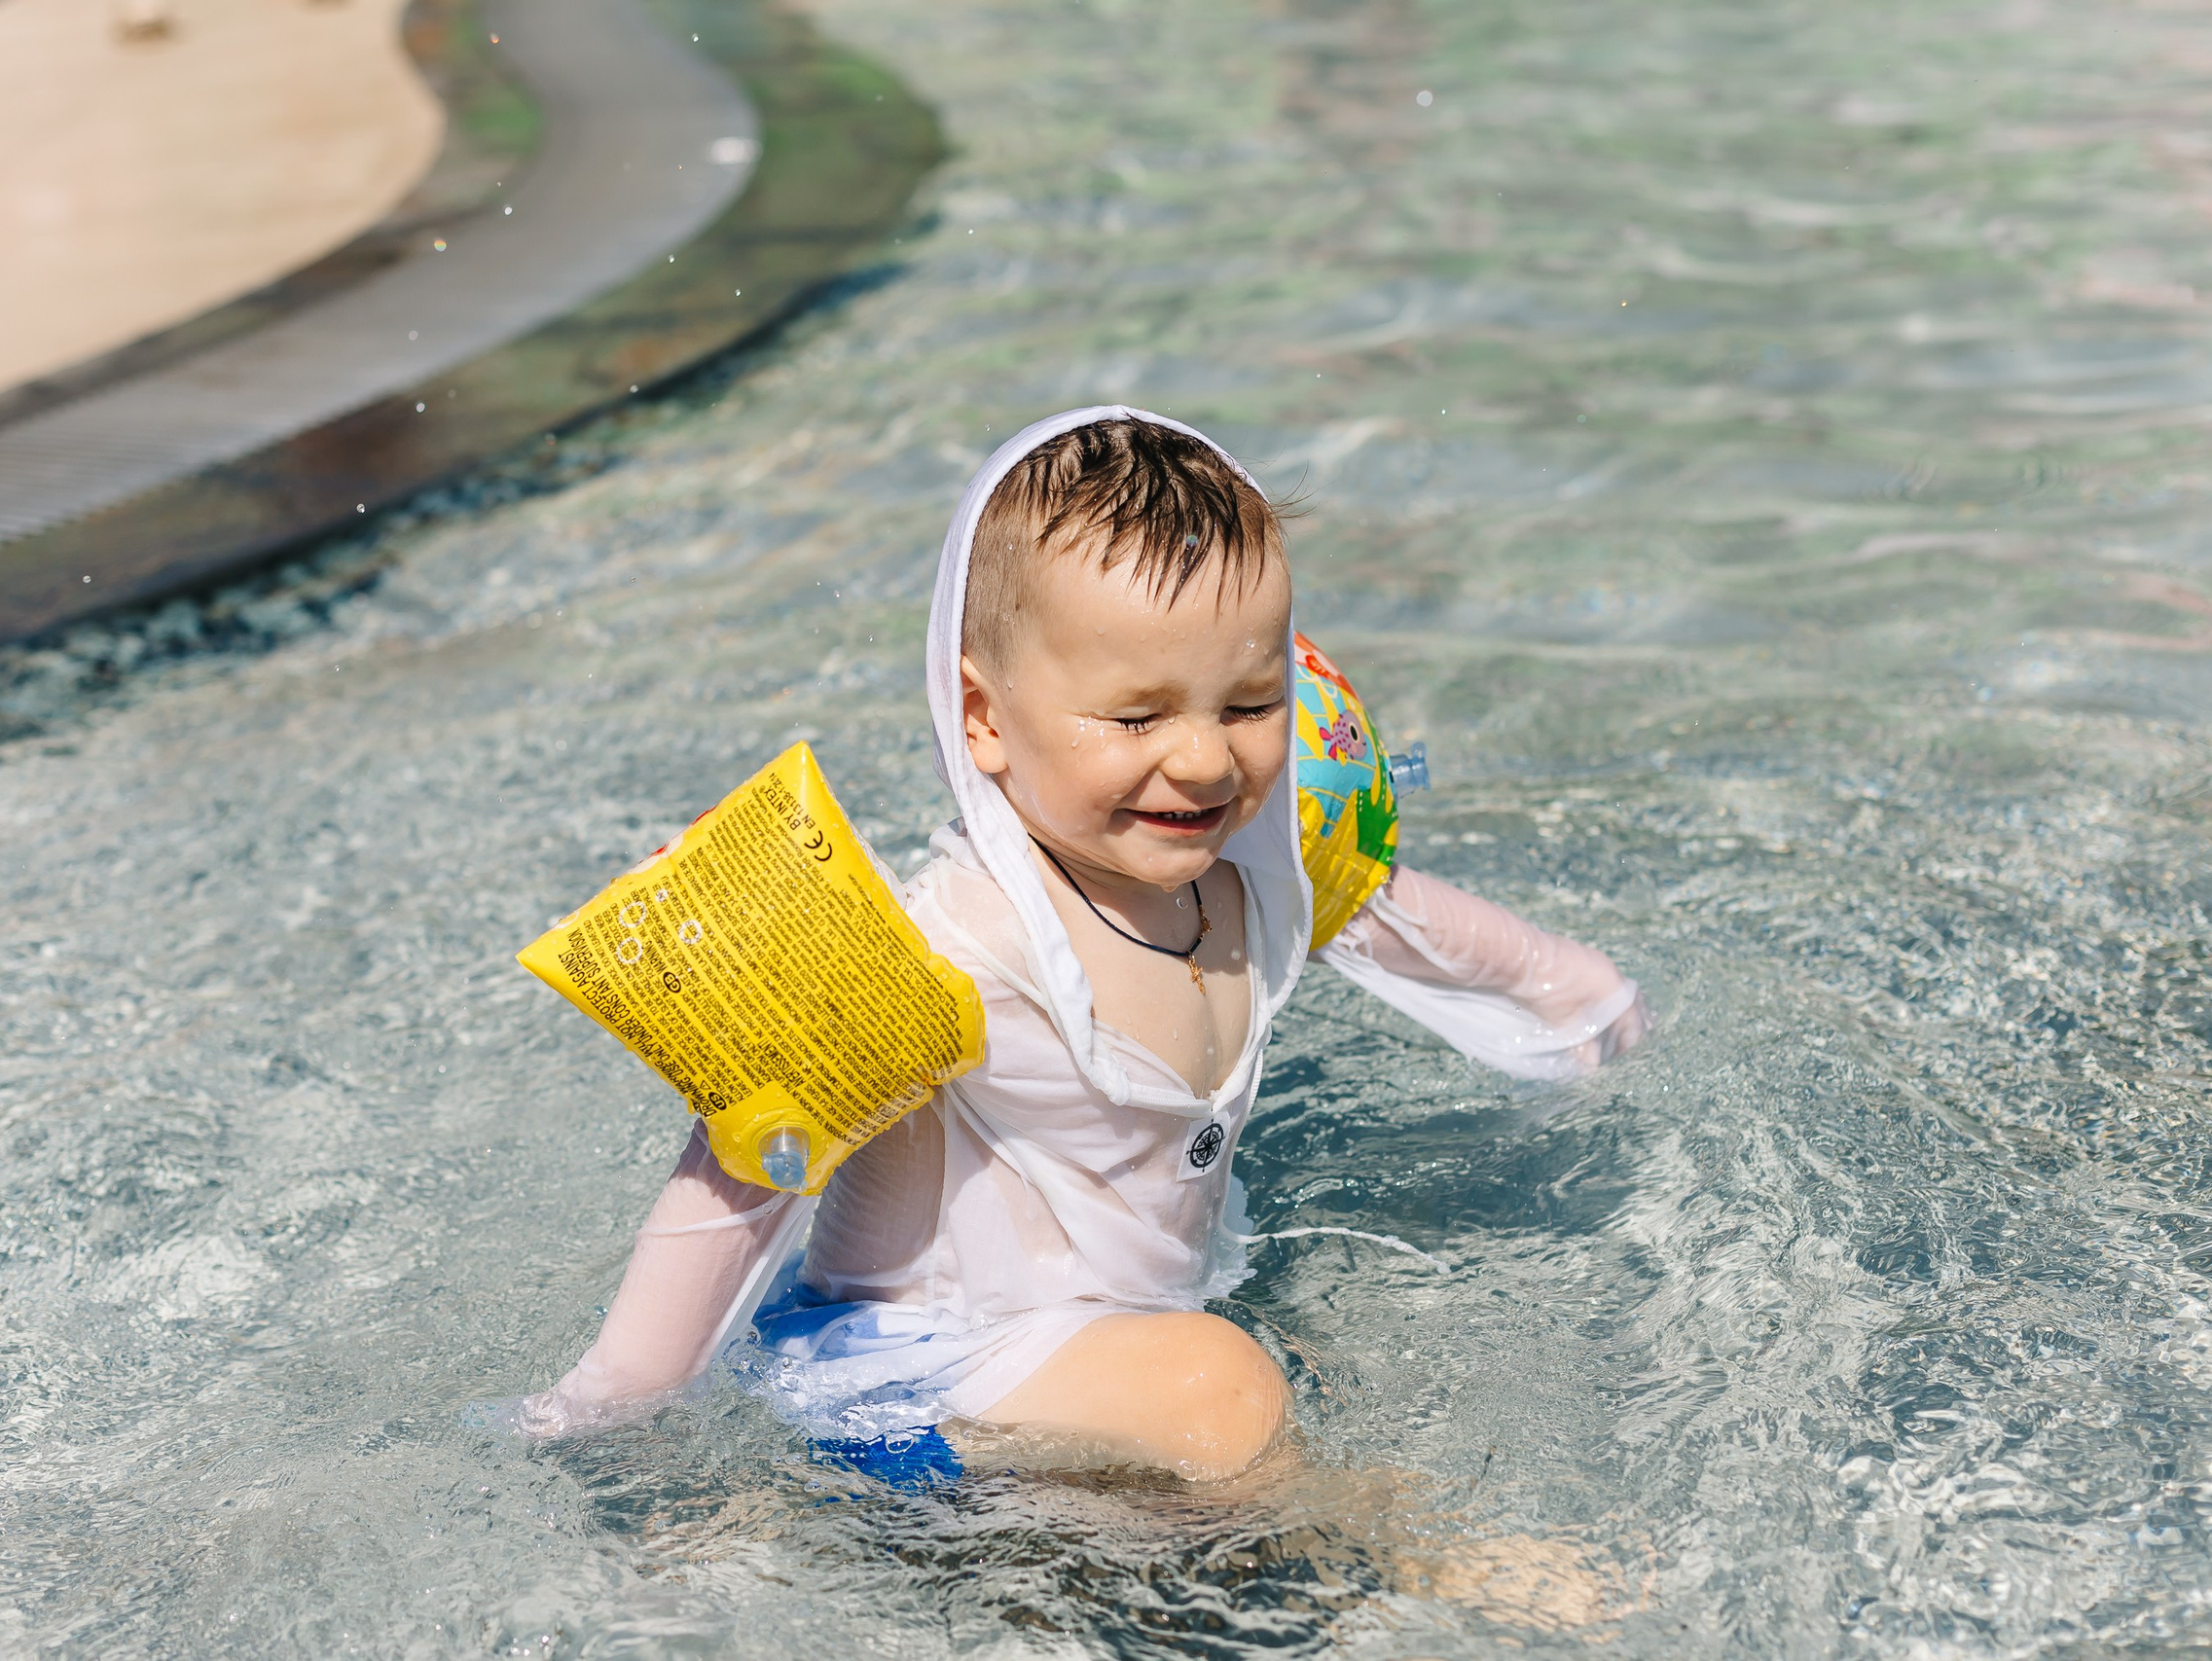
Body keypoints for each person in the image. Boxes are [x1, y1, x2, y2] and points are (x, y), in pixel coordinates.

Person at [516, 408, 1648, 1481]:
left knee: (1265, 1368)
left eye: (1248, 704)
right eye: (1137, 717)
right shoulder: (950, 946)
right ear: (984, 719)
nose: (1204, 761)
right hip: (908, 1385)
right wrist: (611, 1409)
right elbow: (743, 1176)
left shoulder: (1248, 873)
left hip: (1100, 1350)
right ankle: (1387, 1551)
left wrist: (1574, 996)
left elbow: (1378, 910)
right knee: (1220, 1387)